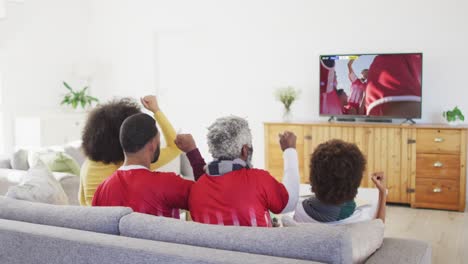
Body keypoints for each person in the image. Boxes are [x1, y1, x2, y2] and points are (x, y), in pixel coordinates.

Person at [186, 116, 300, 227]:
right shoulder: (258, 180)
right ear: (245, 150)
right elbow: (290, 202)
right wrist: (290, 150)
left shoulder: (197, 189)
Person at [79, 96, 181, 206]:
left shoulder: (87, 165)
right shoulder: (134, 162)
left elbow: (83, 202)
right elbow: (175, 147)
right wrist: (156, 110)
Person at [92, 113, 196, 218]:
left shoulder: (101, 190)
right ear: (152, 144)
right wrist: (193, 152)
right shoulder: (168, 184)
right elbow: (208, 193)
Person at [293, 139, 387, 223]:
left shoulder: (297, 212)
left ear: (313, 178)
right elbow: (378, 228)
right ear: (356, 183)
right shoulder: (361, 219)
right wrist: (382, 193)